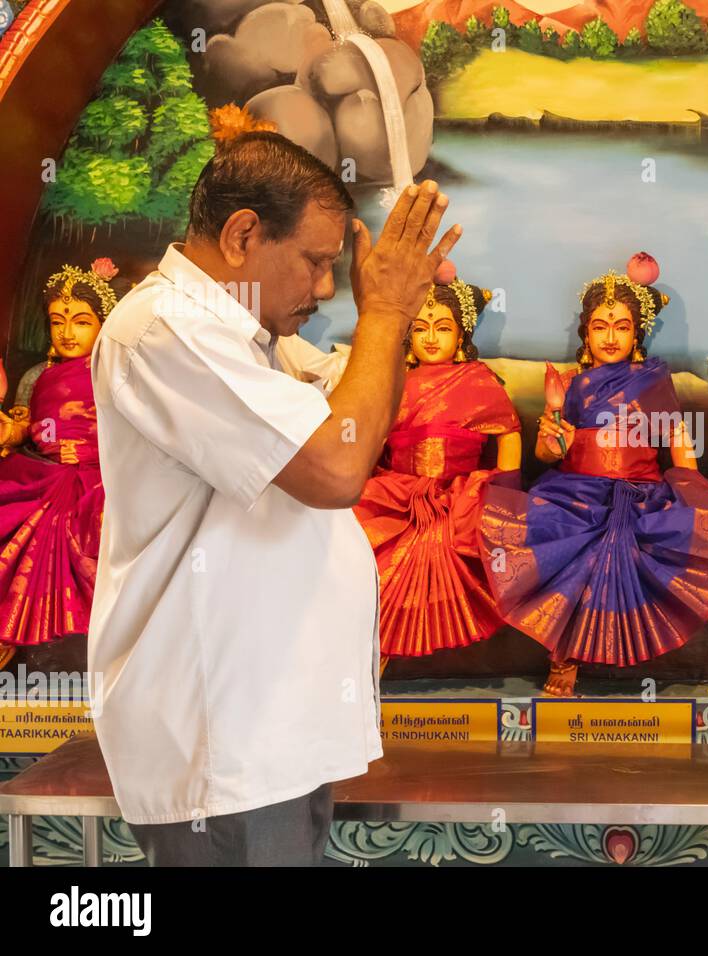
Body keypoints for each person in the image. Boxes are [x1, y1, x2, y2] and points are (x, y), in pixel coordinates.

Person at [88, 132, 462, 865]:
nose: (327, 289)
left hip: (271, 732)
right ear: (243, 234)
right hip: (224, 743)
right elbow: (338, 469)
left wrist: (396, 315)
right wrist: (382, 312)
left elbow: (364, 425)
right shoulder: (165, 330)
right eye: (317, 262)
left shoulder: (253, 340)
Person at [479, 253, 708, 697]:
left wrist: (696, 491)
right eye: (600, 325)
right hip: (577, 488)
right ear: (586, 331)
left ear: (637, 332)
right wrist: (552, 439)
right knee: (563, 535)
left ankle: (596, 651)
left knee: (630, 543)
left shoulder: (655, 381)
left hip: (642, 492)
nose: (611, 336)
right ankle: (564, 654)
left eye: (622, 326)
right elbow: (548, 452)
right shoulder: (573, 384)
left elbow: (679, 445)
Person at [353, 262, 521, 665]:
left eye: (442, 327)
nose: (430, 337)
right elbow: (372, 440)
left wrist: (506, 491)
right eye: (421, 327)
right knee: (362, 539)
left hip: (459, 496)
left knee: (444, 543)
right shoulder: (392, 380)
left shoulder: (480, 382)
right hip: (396, 493)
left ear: (461, 334)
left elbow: (509, 438)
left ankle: (396, 646)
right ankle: (374, 652)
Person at [0, 259, 117, 669]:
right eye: (57, 322)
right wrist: (13, 432)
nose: (67, 333)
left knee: (80, 537)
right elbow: (31, 429)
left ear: (104, 324)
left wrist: (93, 453)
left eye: (81, 321)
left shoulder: (117, 373)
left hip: (100, 484)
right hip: (43, 475)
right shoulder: (37, 376)